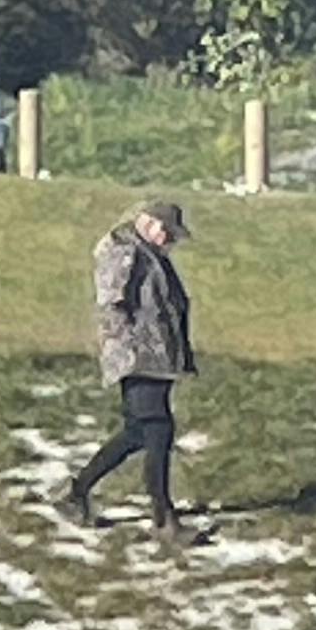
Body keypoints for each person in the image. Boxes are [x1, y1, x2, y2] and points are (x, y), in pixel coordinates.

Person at [57, 198, 201, 541]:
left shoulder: (150, 254)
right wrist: (129, 351)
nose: (171, 242)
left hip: (157, 358)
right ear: (149, 223)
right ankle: (163, 519)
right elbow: (112, 306)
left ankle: (76, 492)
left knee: (138, 432)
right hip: (139, 359)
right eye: (168, 233)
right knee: (158, 429)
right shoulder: (125, 252)